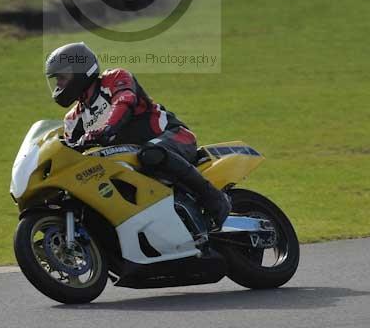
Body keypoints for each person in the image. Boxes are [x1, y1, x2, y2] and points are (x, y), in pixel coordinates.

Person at [45, 41, 231, 227]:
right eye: (56, 80)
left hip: (173, 137)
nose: (58, 85)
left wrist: (106, 128)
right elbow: (72, 150)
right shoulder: (73, 119)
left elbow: (124, 101)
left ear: (80, 70)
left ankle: (215, 199)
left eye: (62, 77)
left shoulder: (114, 78)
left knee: (150, 154)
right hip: (129, 158)